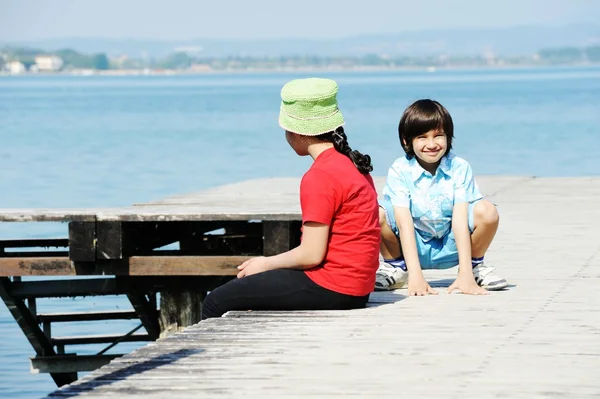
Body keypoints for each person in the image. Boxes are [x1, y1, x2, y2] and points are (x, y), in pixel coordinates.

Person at [201, 78, 381, 319]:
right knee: (247, 289)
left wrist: (265, 263)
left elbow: (311, 254)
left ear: (299, 133)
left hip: (333, 287)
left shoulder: (320, 176)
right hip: (358, 288)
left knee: (215, 301)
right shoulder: (352, 163)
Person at [375, 99, 508, 295]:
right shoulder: (399, 169)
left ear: (449, 136)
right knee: (375, 212)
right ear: (406, 140)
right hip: (413, 244)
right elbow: (403, 223)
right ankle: (397, 267)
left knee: (487, 211)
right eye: (422, 137)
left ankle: (473, 267)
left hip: (450, 244)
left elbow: (460, 220)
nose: (431, 144)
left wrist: (464, 275)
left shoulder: (459, 167)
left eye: (438, 136)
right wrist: (416, 276)